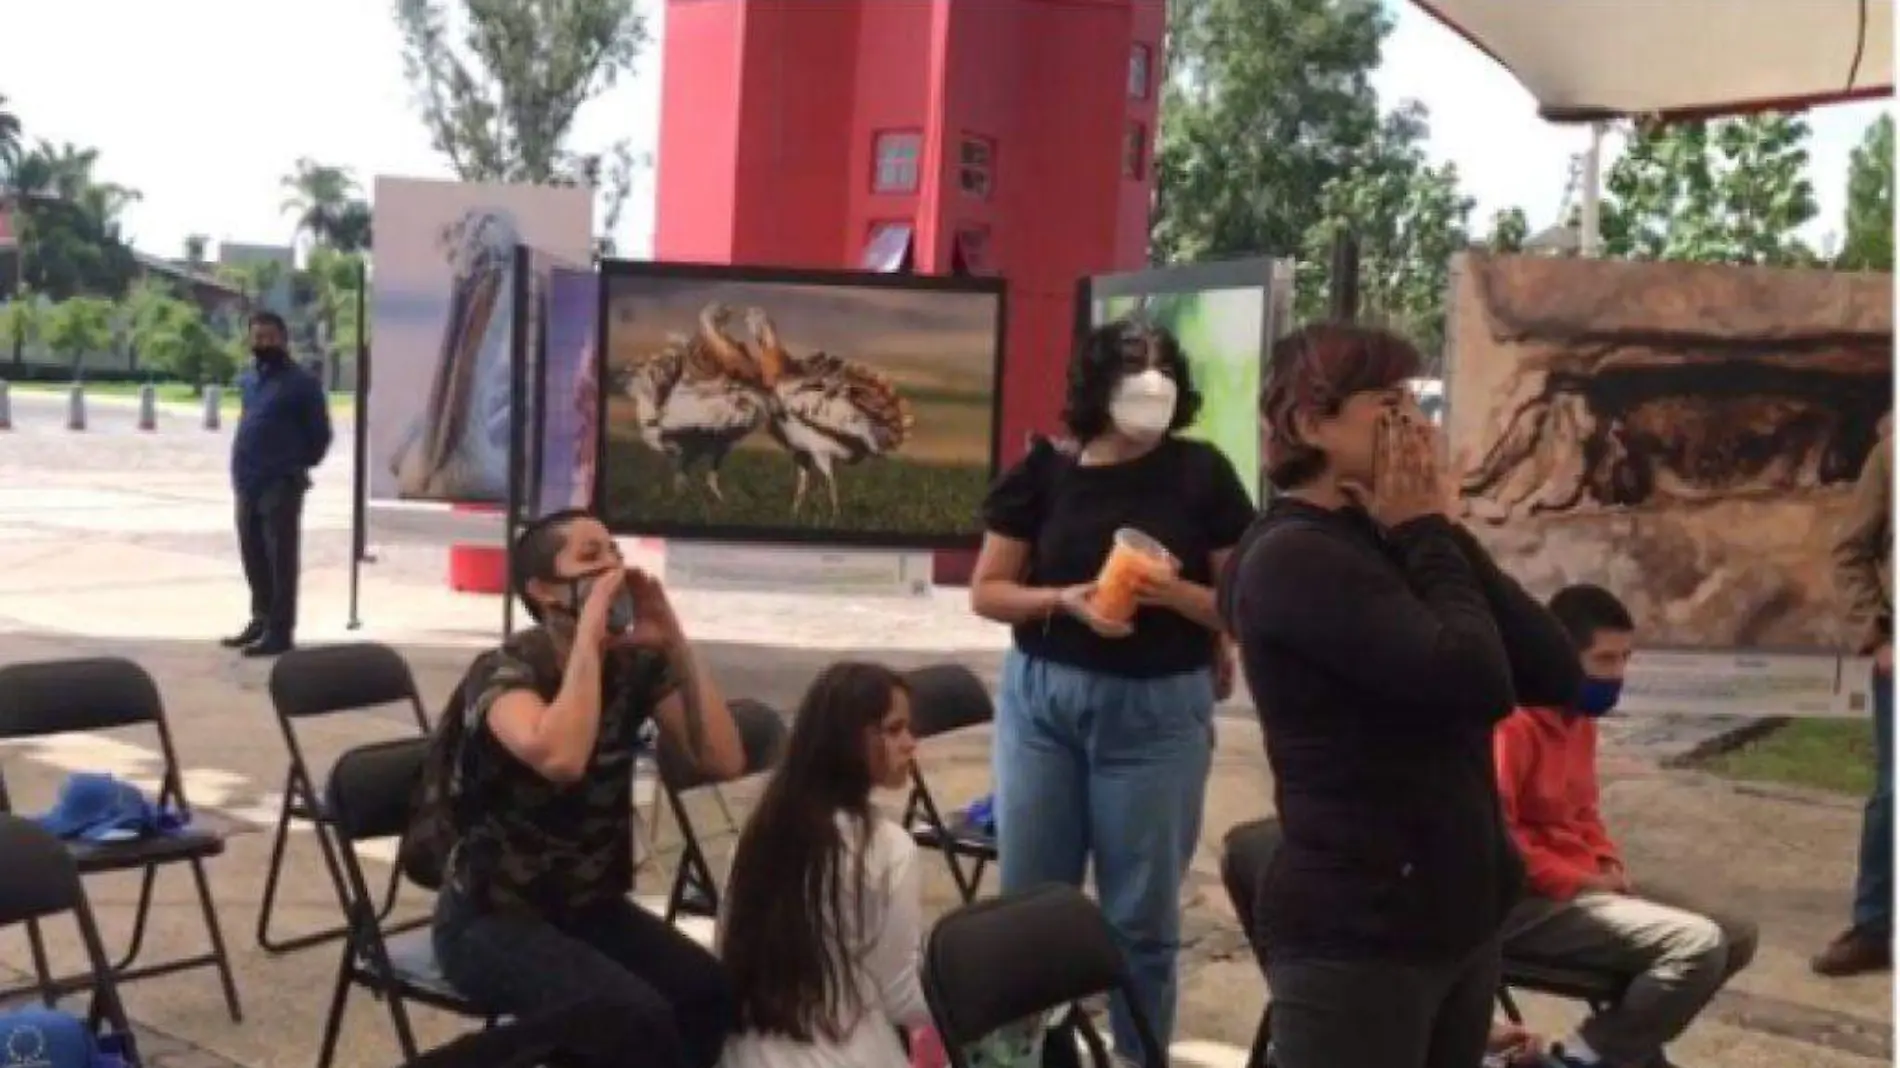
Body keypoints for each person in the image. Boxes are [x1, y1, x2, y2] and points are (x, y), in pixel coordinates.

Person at [1219, 323, 1582, 1068]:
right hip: (1362, 936)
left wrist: (1439, 530)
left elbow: (1552, 671)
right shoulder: (1293, 555)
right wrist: (1424, 531)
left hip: (1451, 921)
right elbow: (1474, 683)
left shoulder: (1386, 536)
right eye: (1389, 405)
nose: (1418, 425)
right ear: (1307, 423)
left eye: (1415, 402)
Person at [970, 320, 1256, 1062]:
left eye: (1163, 369)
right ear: (1097, 383)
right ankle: (1027, 1056)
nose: (1151, 383)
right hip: (1044, 703)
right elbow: (989, 591)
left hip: (1156, 712)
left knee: (1141, 917)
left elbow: (1245, 603)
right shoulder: (1044, 472)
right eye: (1134, 368)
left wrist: (1176, 595)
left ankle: (1136, 1055)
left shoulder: (1203, 475)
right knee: (1032, 907)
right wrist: (1060, 601)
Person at [431, 509, 747, 1068]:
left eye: (613, 553)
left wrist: (673, 641)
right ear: (545, 591)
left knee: (709, 993)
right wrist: (587, 642)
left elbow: (722, 759)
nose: (612, 568)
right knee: (633, 1022)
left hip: (588, 908)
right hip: (493, 919)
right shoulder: (507, 671)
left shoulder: (633, 667)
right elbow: (561, 757)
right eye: (589, 557)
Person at [1495, 584, 1758, 1068]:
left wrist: (1608, 863)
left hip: (1581, 886)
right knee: (1696, 945)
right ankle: (1577, 1059)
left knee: (1737, 933)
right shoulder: (1514, 724)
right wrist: (1584, 882)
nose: (1617, 675)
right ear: (1559, 654)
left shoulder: (1579, 721)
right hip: (1522, 903)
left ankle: (1616, 1048)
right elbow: (1498, 841)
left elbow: (1584, 813)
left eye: (1625, 659)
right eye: (1605, 660)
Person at [719, 662, 926, 1068]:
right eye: (895, 729)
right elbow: (901, 995)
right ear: (853, 741)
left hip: (748, 1050)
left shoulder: (758, 830)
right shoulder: (889, 849)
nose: (911, 743)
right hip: (847, 1050)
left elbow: (725, 945)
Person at [1815, 420, 1894, 976]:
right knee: (1894, 795)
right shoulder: (1891, 455)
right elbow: (1850, 551)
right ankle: (1873, 928)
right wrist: (1877, 635)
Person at [222, 310, 331, 657]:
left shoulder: (302, 383)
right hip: (247, 481)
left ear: (284, 340)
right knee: (252, 554)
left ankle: (280, 632)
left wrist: (293, 466)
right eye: (257, 337)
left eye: (270, 337)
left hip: (280, 484)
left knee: (279, 559)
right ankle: (261, 619)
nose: (263, 343)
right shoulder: (250, 381)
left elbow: (320, 436)